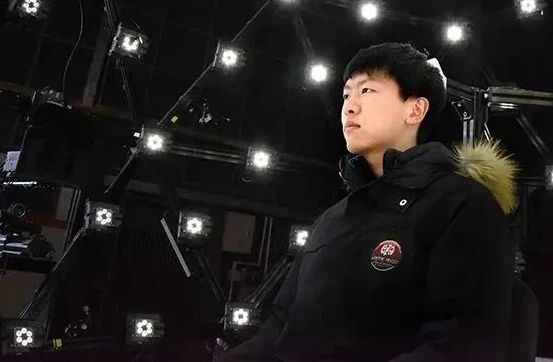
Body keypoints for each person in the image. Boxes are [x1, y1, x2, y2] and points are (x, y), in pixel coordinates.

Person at [215, 42, 520, 362]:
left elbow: (460, 346)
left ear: (415, 110)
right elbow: (278, 332)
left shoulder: (462, 205)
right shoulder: (331, 220)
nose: (349, 106)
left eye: (367, 91)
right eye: (346, 95)